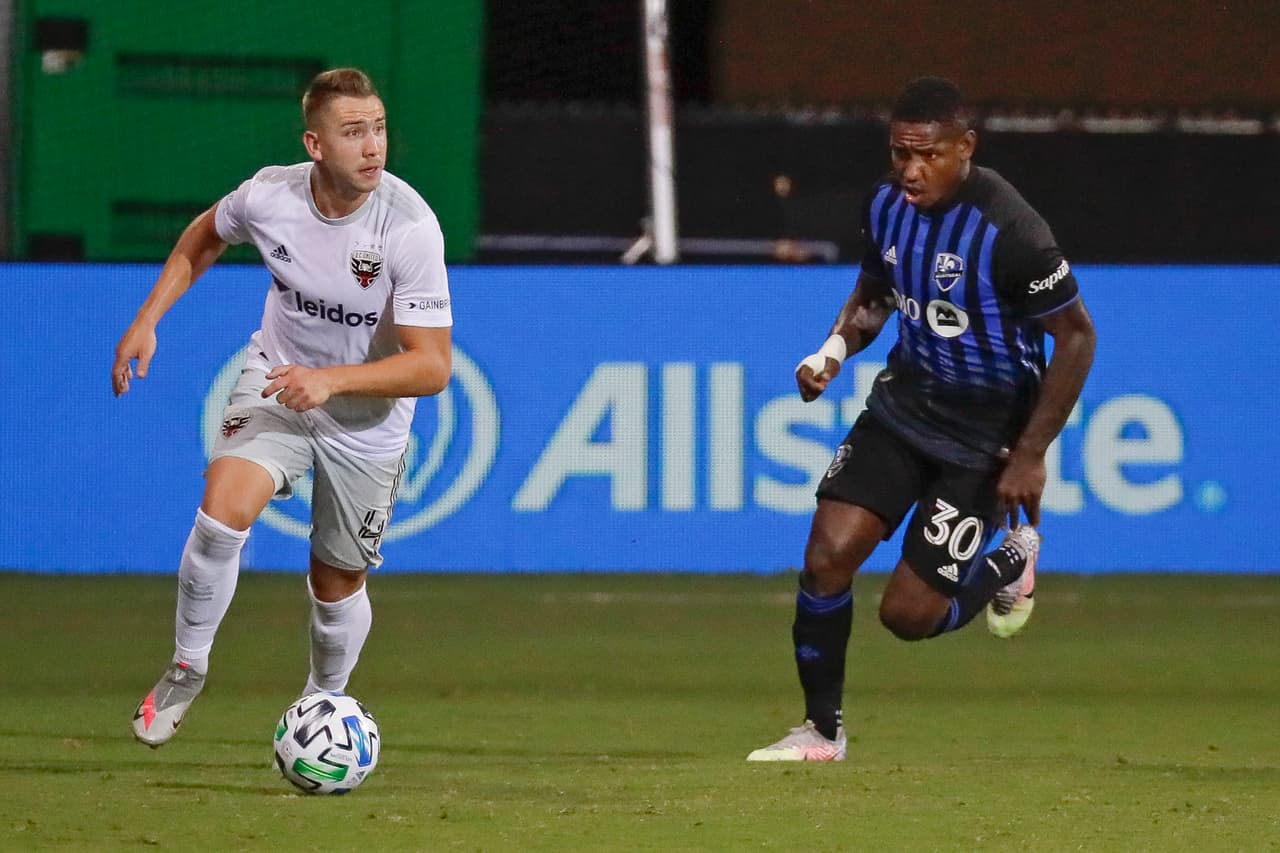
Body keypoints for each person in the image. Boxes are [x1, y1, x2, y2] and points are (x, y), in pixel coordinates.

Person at [747, 77, 1096, 762]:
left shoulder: (1012, 231)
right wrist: (832, 350)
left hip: (984, 438)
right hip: (903, 407)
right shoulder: (886, 206)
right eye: (899, 153)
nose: (910, 170)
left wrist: (1030, 453)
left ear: (965, 148)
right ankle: (821, 733)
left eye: (927, 154)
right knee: (826, 557)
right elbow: (875, 294)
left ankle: (1011, 559)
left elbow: (1077, 337)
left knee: (908, 617)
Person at [112, 68, 454, 747]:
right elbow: (206, 234)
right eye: (353, 132)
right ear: (314, 145)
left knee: (336, 580)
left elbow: (432, 366)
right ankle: (186, 668)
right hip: (277, 380)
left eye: (379, 128)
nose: (373, 146)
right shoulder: (270, 195)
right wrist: (148, 318)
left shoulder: (409, 226)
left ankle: (322, 705)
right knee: (222, 511)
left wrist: (330, 381)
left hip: (366, 420)